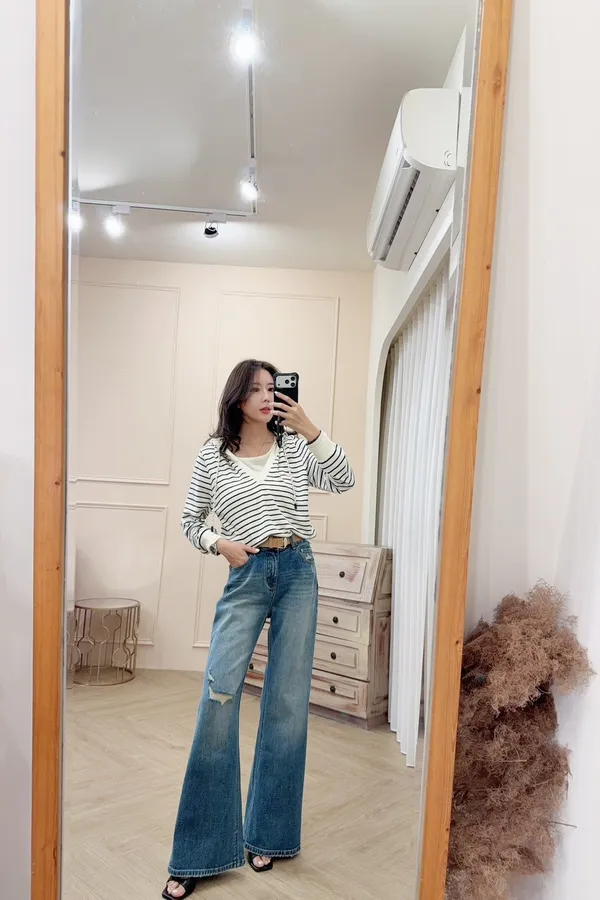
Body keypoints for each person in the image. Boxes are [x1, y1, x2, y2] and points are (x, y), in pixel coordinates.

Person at [163, 358, 355, 899]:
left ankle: (268, 833)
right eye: (257, 388)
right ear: (237, 397)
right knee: (219, 699)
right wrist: (218, 544)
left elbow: (343, 479)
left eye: (274, 387)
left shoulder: (293, 446)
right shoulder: (213, 455)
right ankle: (200, 853)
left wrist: (309, 428)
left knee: (287, 705)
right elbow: (191, 521)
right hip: (246, 573)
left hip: (297, 570)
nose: (268, 396)